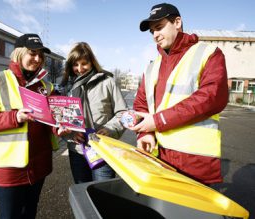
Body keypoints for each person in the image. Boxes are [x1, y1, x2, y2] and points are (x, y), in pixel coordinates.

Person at [130, 3, 228, 185]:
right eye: (152, 31)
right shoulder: (151, 67)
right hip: (158, 157)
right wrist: (145, 134)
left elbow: (212, 97)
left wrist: (157, 122)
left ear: (177, 22)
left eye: (159, 27)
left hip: (194, 163)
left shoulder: (208, 53)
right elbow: (141, 105)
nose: (155, 35)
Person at [0, 33, 59, 219]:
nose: (37, 59)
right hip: (9, 167)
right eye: (32, 53)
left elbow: (55, 118)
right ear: (18, 53)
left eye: (40, 55)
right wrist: (14, 117)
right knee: (9, 215)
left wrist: (60, 127)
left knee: (30, 212)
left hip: (39, 164)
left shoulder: (46, 86)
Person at [60, 42, 127, 184]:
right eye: (75, 65)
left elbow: (123, 113)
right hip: (77, 151)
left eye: (84, 63)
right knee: (83, 193)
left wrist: (110, 129)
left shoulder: (107, 82)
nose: (80, 69)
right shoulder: (68, 87)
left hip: (103, 149)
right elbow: (62, 119)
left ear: (92, 62)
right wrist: (71, 134)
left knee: (102, 193)